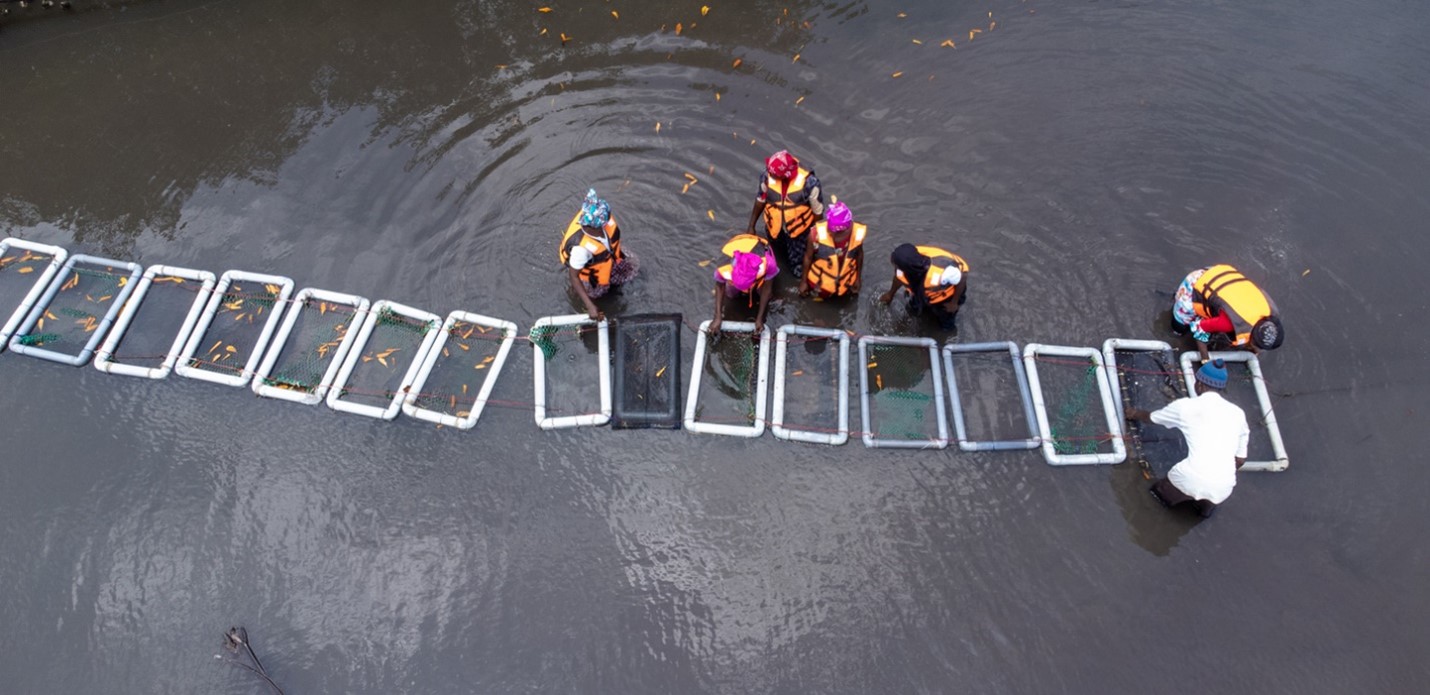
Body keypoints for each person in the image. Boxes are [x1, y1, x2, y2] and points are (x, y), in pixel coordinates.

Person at [1124, 359, 1250, 519]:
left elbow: (1152, 418)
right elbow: (1240, 460)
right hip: (1223, 487)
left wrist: (1134, 414)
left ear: (1200, 384)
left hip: (1190, 478)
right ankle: (1202, 512)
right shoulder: (1238, 413)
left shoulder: (1185, 407)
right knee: (1202, 513)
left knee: (1158, 496)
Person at [1171, 264, 1283, 362]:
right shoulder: (1229, 323)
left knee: (1214, 318)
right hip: (1196, 283)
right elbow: (1199, 329)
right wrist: (1205, 359)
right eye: (1258, 346)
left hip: (1222, 275)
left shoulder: (1270, 310)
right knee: (1179, 327)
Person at [559, 188, 638, 320]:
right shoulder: (581, 250)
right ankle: (584, 298)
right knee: (600, 295)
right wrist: (589, 306)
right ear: (595, 226)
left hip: (609, 259)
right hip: (593, 277)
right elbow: (574, 277)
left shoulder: (599, 222)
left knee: (633, 267)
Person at [744, 150, 825, 276]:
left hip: (799, 233)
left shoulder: (810, 183)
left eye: (774, 174)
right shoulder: (767, 177)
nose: (770, 174)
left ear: (785, 175)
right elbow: (760, 200)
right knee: (776, 255)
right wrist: (751, 226)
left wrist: (815, 237)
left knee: (797, 264)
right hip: (774, 228)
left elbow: (818, 212)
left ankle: (798, 276)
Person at [878, 243, 968, 330]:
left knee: (946, 321)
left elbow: (962, 276)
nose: (893, 264)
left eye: (895, 263)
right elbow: (899, 278)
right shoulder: (907, 262)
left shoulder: (943, 270)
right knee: (913, 309)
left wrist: (954, 303)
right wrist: (890, 294)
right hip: (921, 293)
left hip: (945, 299)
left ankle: (944, 335)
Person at [711, 233, 778, 334]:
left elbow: (767, 290)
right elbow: (719, 287)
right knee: (730, 294)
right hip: (738, 242)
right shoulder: (723, 267)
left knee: (764, 294)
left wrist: (759, 318)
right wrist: (718, 317)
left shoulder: (768, 264)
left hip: (757, 247)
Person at [800, 201, 865, 299]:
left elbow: (859, 254)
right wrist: (803, 281)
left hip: (846, 281)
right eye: (833, 232)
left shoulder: (857, 232)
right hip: (821, 283)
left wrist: (858, 279)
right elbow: (808, 258)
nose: (838, 236)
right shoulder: (815, 235)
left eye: (842, 233)